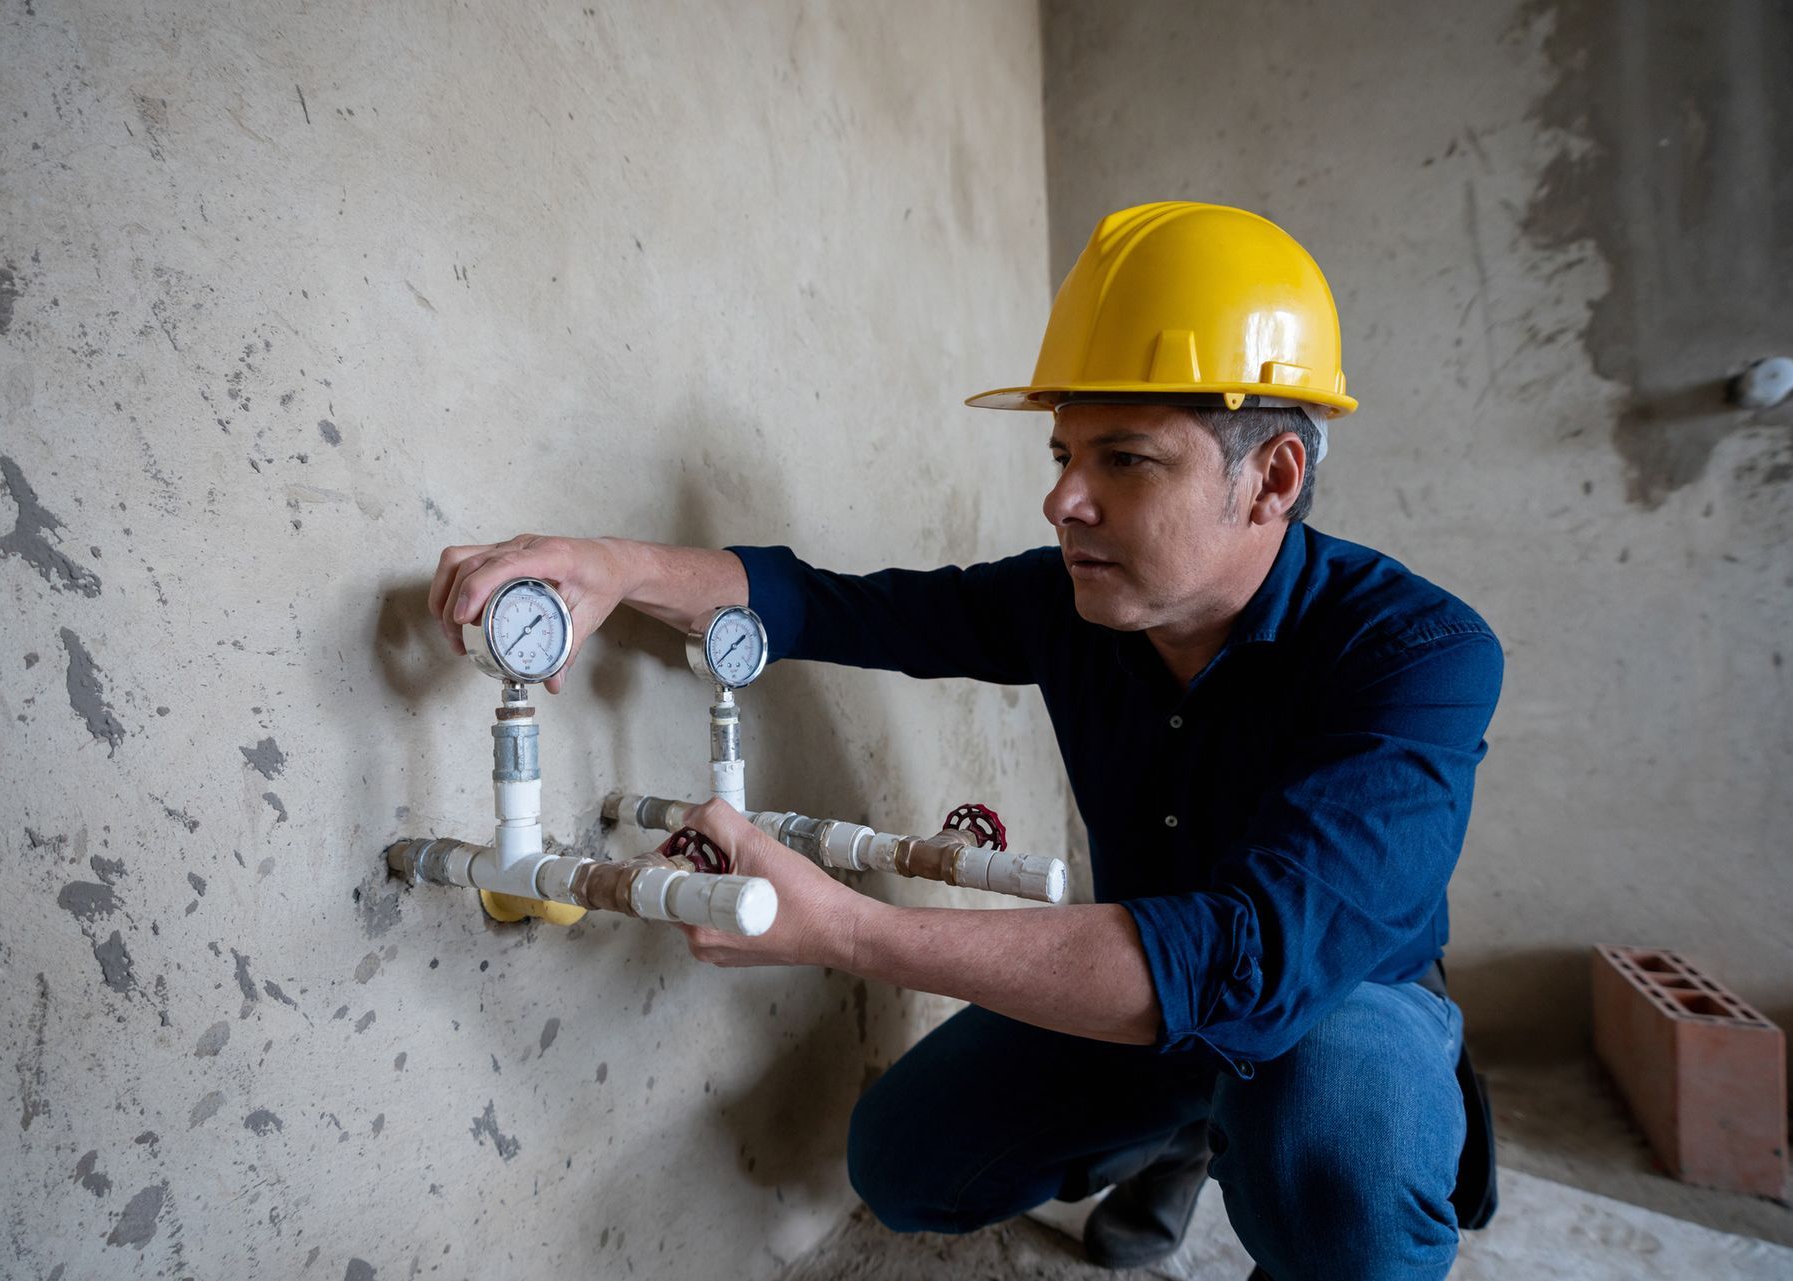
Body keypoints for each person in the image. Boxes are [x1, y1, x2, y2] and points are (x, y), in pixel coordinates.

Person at [425, 202, 1503, 1281]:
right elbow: (829, 604)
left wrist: (847, 929)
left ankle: (1276, 1165)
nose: (1061, 499)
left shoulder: (1418, 654)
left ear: (1270, 478)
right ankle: (1184, 1127)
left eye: (1124, 460)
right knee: (905, 1165)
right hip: (1143, 979)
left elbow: (1251, 957)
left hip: (1336, 1000)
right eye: (1063, 452)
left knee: (1334, 1168)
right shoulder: (1076, 605)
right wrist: (613, 567)